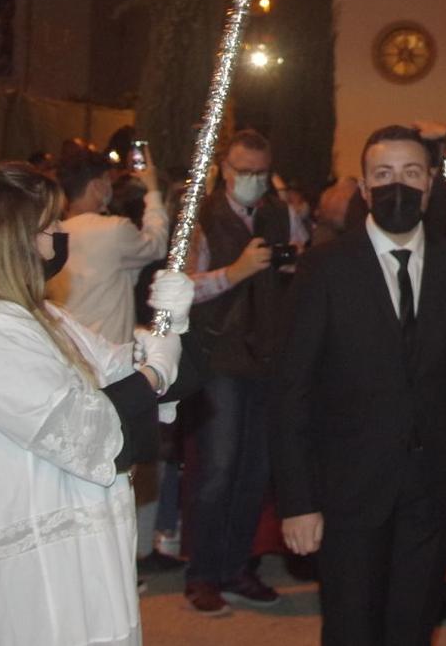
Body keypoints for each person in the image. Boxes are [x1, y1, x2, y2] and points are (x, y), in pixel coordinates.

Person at [0, 163, 192, 646]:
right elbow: (90, 433)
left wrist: (170, 327)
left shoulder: (41, 315)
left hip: (69, 551)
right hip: (28, 572)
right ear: (13, 239)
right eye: (50, 226)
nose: (62, 234)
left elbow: (110, 367)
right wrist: (156, 372)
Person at [272, 124, 446, 645]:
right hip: (349, 488)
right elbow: (290, 390)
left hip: (431, 485)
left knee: (414, 627)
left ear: (433, 182)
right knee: (352, 627)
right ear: (365, 188)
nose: (400, 185)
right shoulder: (324, 268)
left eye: (412, 173)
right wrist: (297, 500)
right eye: (385, 175)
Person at [181, 128, 288, 616]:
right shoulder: (201, 217)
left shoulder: (275, 211)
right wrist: (237, 272)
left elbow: (295, 255)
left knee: (255, 469)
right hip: (219, 356)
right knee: (219, 467)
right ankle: (202, 572)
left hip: (265, 353)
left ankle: (236, 565)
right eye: (244, 172)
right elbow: (179, 288)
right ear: (224, 170)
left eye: (260, 173)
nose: (252, 181)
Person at [48, 149, 167, 344]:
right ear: (96, 186)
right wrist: (153, 191)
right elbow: (157, 244)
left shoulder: (51, 233)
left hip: (66, 348)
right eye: (107, 181)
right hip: (108, 354)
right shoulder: (113, 229)